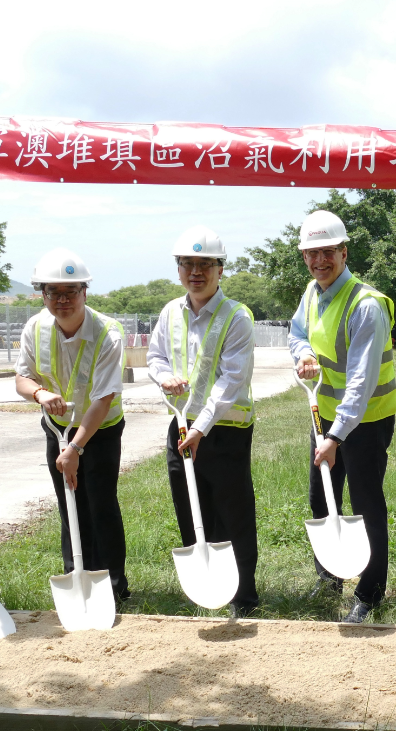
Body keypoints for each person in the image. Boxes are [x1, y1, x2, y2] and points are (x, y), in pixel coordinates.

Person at [288, 210, 396, 624]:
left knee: (367, 502)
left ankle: (370, 593)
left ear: (344, 252)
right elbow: (296, 333)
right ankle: (330, 576)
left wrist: (336, 437)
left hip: (365, 420)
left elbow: (361, 382)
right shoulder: (312, 294)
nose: (319, 261)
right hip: (325, 417)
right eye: (311, 254)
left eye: (327, 252)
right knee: (322, 499)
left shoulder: (365, 305)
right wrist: (305, 355)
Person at [149, 225, 259, 617]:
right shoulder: (169, 312)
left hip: (224, 428)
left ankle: (243, 596)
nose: (196, 271)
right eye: (188, 264)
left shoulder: (237, 317)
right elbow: (155, 358)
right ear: (179, 269)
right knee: (191, 507)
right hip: (181, 426)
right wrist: (163, 377)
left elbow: (231, 380)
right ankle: (210, 587)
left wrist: (201, 427)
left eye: (205, 264)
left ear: (220, 269)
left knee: (233, 511)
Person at [14, 248, 130, 602]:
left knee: (101, 503)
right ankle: (76, 575)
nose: (62, 300)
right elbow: (22, 378)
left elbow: (103, 398)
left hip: (101, 429)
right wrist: (39, 394)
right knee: (69, 504)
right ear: (42, 294)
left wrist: (76, 448)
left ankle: (113, 585)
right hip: (57, 429)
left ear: (85, 292)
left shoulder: (107, 332)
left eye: (71, 292)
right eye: (53, 292)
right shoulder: (35, 327)